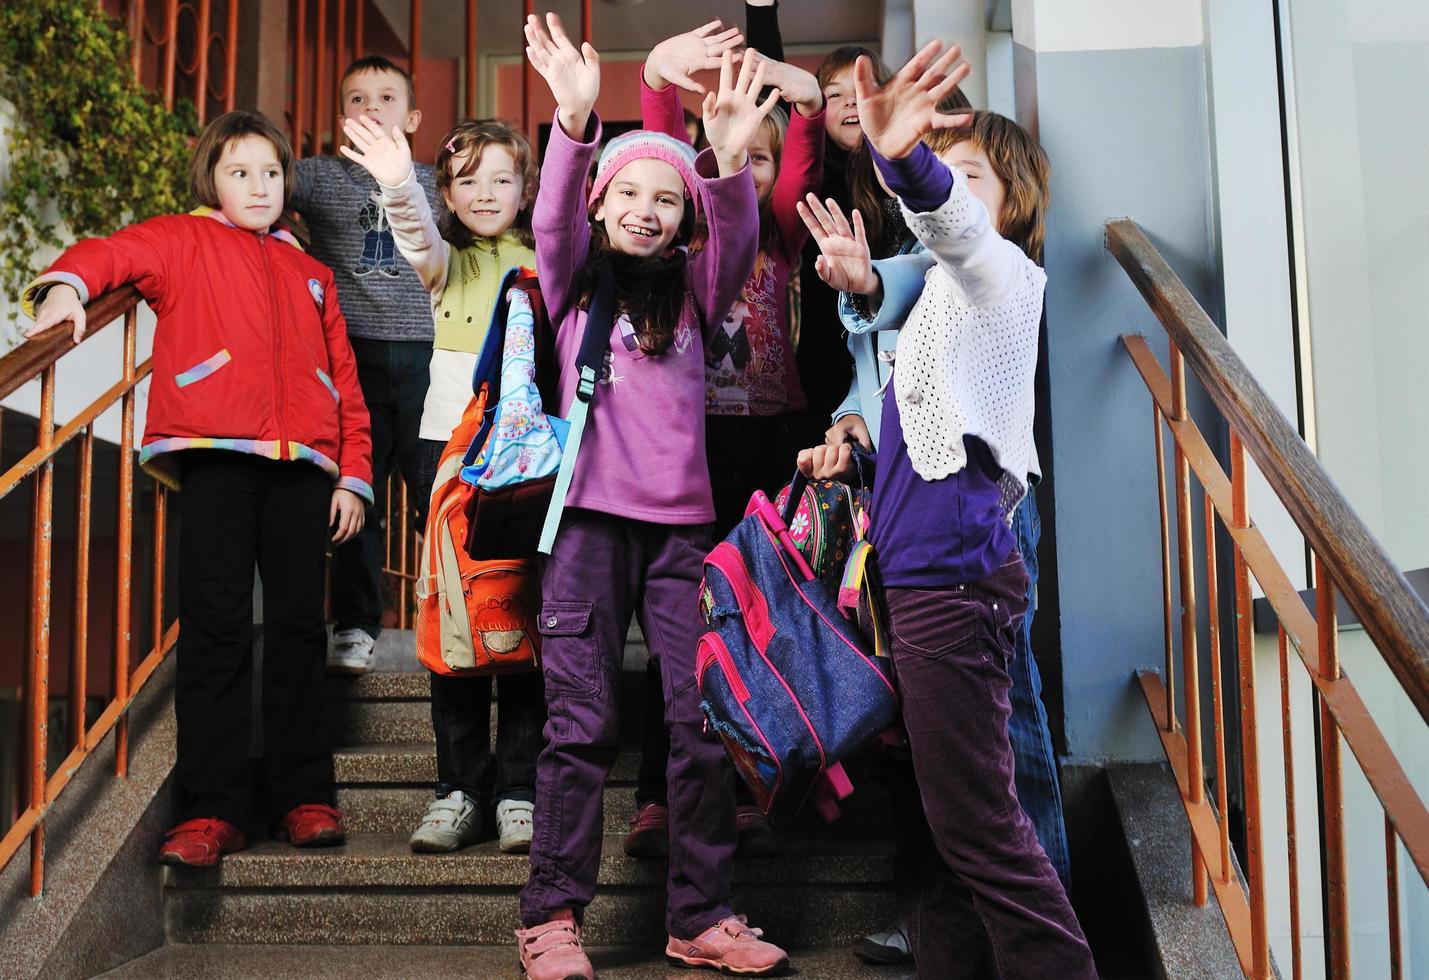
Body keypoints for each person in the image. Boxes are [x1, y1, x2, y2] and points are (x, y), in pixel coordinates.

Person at [796, 42, 1096, 978]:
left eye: (973, 179)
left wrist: (909, 162)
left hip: (956, 573)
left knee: (978, 825)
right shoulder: (931, 305)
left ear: (1008, 209)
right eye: (944, 173)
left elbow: (953, 232)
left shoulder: (1001, 275)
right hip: (919, 570)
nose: (954, 195)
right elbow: (910, 361)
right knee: (948, 818)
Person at [21, 110, 373, 866]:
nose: (259, 186)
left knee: (297, 631)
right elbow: (108, 253)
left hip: (305, 465)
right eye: (239, 172)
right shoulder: (181, 239)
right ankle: (211, 809)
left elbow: (345, 384)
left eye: (272, 173)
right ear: (210, 179)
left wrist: (354, 474)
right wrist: (66, 288)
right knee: (214, 630)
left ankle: (303, 796)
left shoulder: (313, 274)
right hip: (212, 452)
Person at [513, 14, 788, 979]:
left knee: (702, 726)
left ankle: (700, 916)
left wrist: (720, 160)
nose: (644, 207)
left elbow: (739, 230)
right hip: (584, 527)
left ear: (684, 219)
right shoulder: (569, 285)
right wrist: (576, 123)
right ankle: (550, 919)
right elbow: (547, 217)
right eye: (626, 191)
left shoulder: (700, 291)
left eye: (664, 198)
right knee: (579, 725)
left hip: (679, 535)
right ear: (598, 205)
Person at [622, 20, 826, 861]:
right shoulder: (691, 231)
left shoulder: (778, 229)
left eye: (760, 154)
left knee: (760, 620)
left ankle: (752, 783)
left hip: (771, 444)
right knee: (682, 625)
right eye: (726, 148)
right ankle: (659, 796)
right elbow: (663, 154)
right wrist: (657, 82)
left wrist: (798, 99)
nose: (742, 161)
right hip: (691, 444)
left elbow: (793, 160)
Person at [339, 114, 547, 855]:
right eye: (468, 181)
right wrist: (399, 182)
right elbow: (414, 234)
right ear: (448, 196)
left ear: (527, 187)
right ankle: (458, 790)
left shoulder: (548, 257)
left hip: (528, 457)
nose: (486, 193)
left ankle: (520, 791)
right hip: (448, 456)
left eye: (502, 178)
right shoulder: (443, 264)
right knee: (452, 620)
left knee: (518, 619)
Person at [289, 55, 440, 676]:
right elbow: (252, 182)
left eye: (385, 97)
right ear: (342, 117)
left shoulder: (436, 181)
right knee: (358, 492)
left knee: (438, 494)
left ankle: (457, 614)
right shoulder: (318, 179)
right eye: (356, 99)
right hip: (350, 360)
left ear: (412, 117)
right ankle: (355, 623)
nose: (370, 108)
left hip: (430, 358)